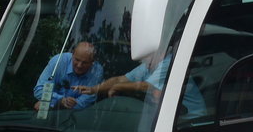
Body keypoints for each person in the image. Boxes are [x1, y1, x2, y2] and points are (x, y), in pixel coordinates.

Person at [77, 50, 206, 118]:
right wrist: (94, 89)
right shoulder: (147, 66)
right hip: (174, 116)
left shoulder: (168, 63)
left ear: (160, 53)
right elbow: (120, 79)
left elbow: (146, 86)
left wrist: (118, 87)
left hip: (193, 119)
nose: (143, 60)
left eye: (147, 55)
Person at [33, 42, 103, 111]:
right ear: (72, 54)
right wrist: (61, 101)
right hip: (48, 115)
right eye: (77, 60)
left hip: (77, 117)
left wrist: (52, 102)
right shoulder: (58, 61)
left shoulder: (96, 71)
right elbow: (39, 90)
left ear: (92, 62)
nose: (79, 65)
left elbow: (86, 102)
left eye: (84, 63)